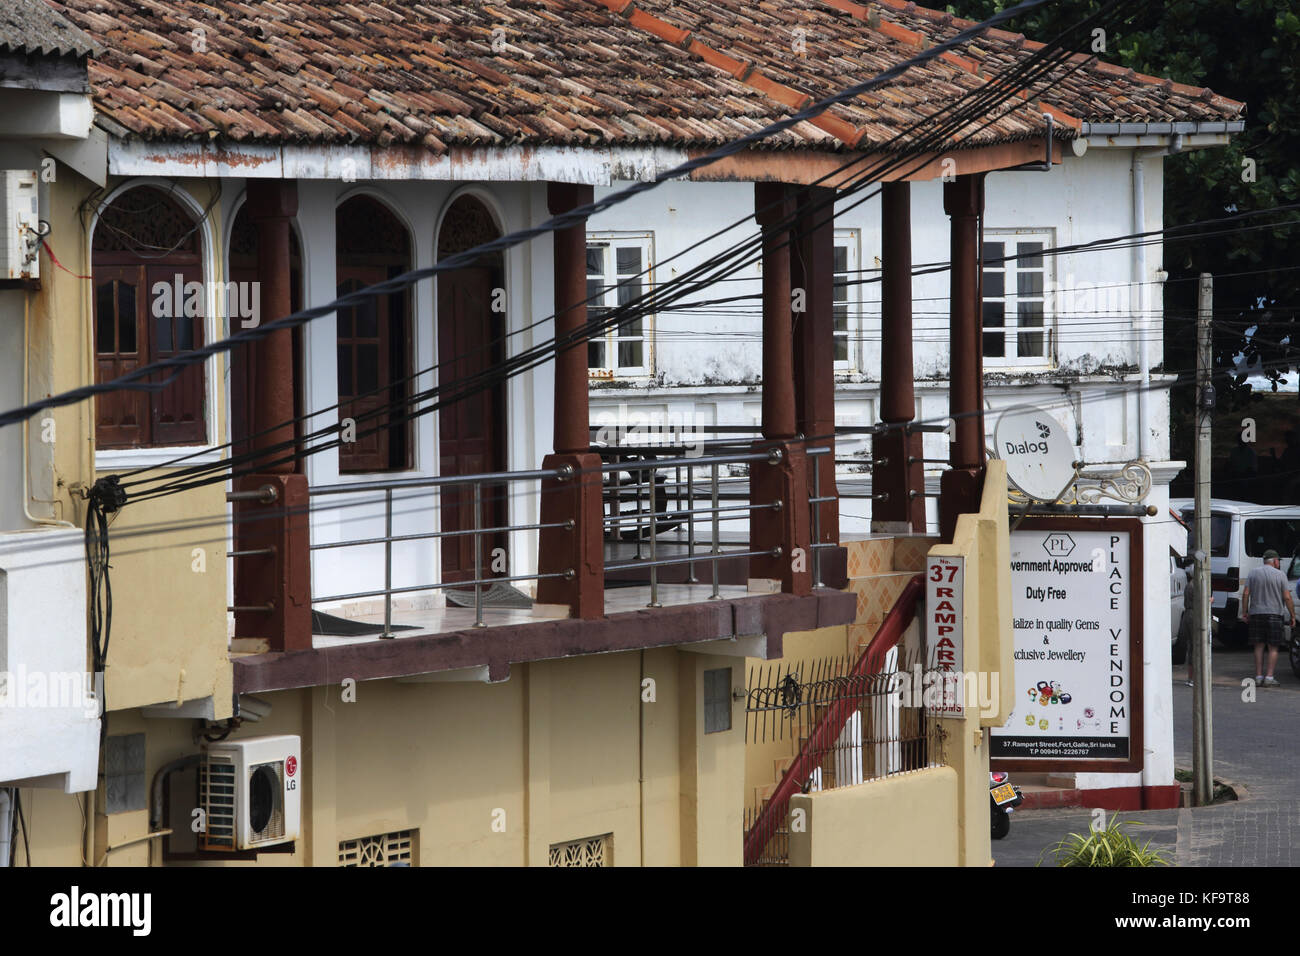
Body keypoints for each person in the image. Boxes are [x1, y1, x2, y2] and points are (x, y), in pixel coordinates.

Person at [1241, 549, 1296, 686]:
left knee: (1258, 646)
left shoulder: (1253, 573)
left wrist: (1245, 612)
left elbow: (1246, 594)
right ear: (1275, 561)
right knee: (1273, 647)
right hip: (1275, 614)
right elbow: (1287, 597)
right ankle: (1269, 677)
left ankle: (1258, 676)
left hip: (1256, 613)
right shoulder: (1280, 575)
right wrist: (1293, 615)